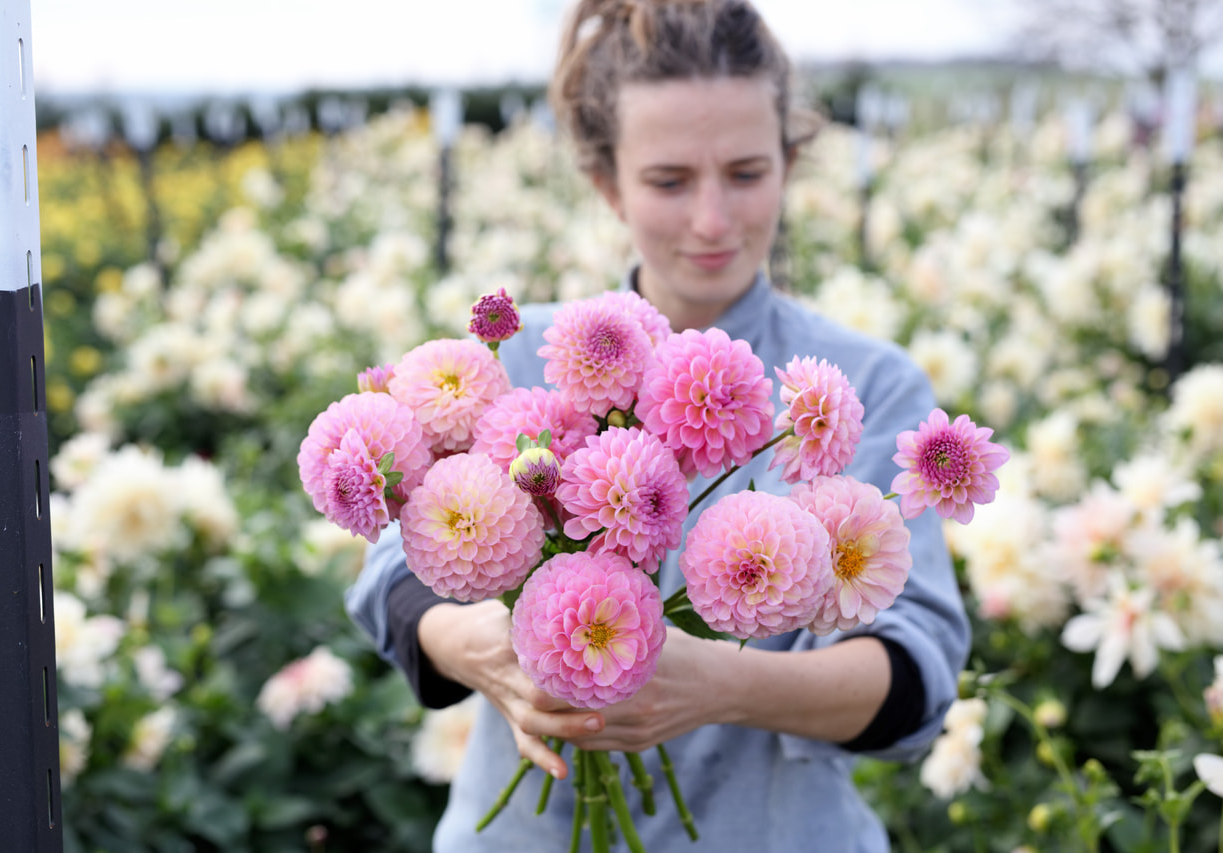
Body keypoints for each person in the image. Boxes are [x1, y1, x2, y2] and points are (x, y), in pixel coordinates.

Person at [346, 1, 971, 849]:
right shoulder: (521, 358)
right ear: (607, 182)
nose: (713, 220)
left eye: (747, 172)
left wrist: (723, 683)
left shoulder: (860, 389)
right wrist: (486, 652)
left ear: (790, 161)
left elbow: (916, 671)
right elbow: (395, 559)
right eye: (670, 181)